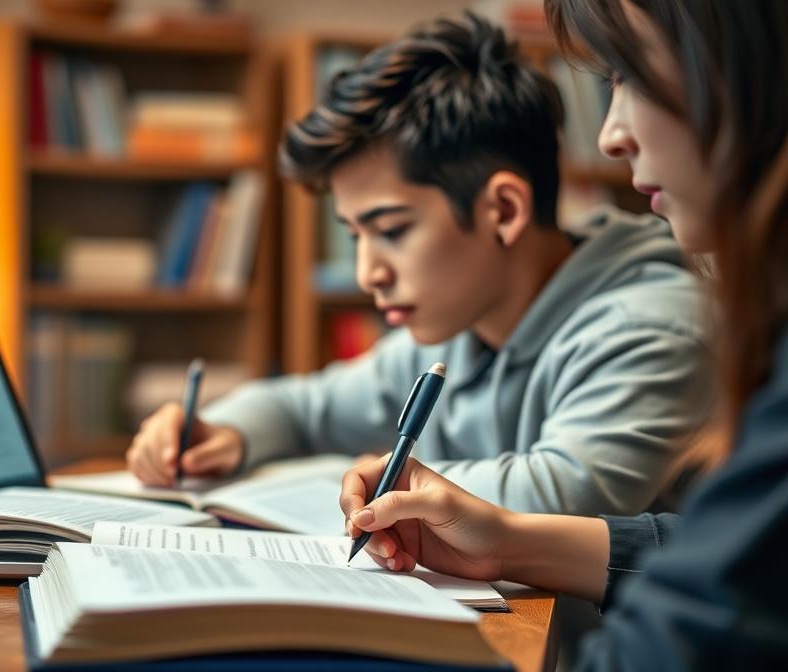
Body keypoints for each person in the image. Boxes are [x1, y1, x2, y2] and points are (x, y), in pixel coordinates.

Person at [341, 1, 788, 672]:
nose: (611, 134)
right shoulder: (462, 322)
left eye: (627, 75)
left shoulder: (657, 318)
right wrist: (510, 545)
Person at [127, 12, 713, 519]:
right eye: (355, 235)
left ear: (503, 210)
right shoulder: (457, 324)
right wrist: (225, 433)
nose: (367, 274)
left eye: (392, 231)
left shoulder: (653, 324)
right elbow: (307, 406)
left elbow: (565, 493)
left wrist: (354, 485)